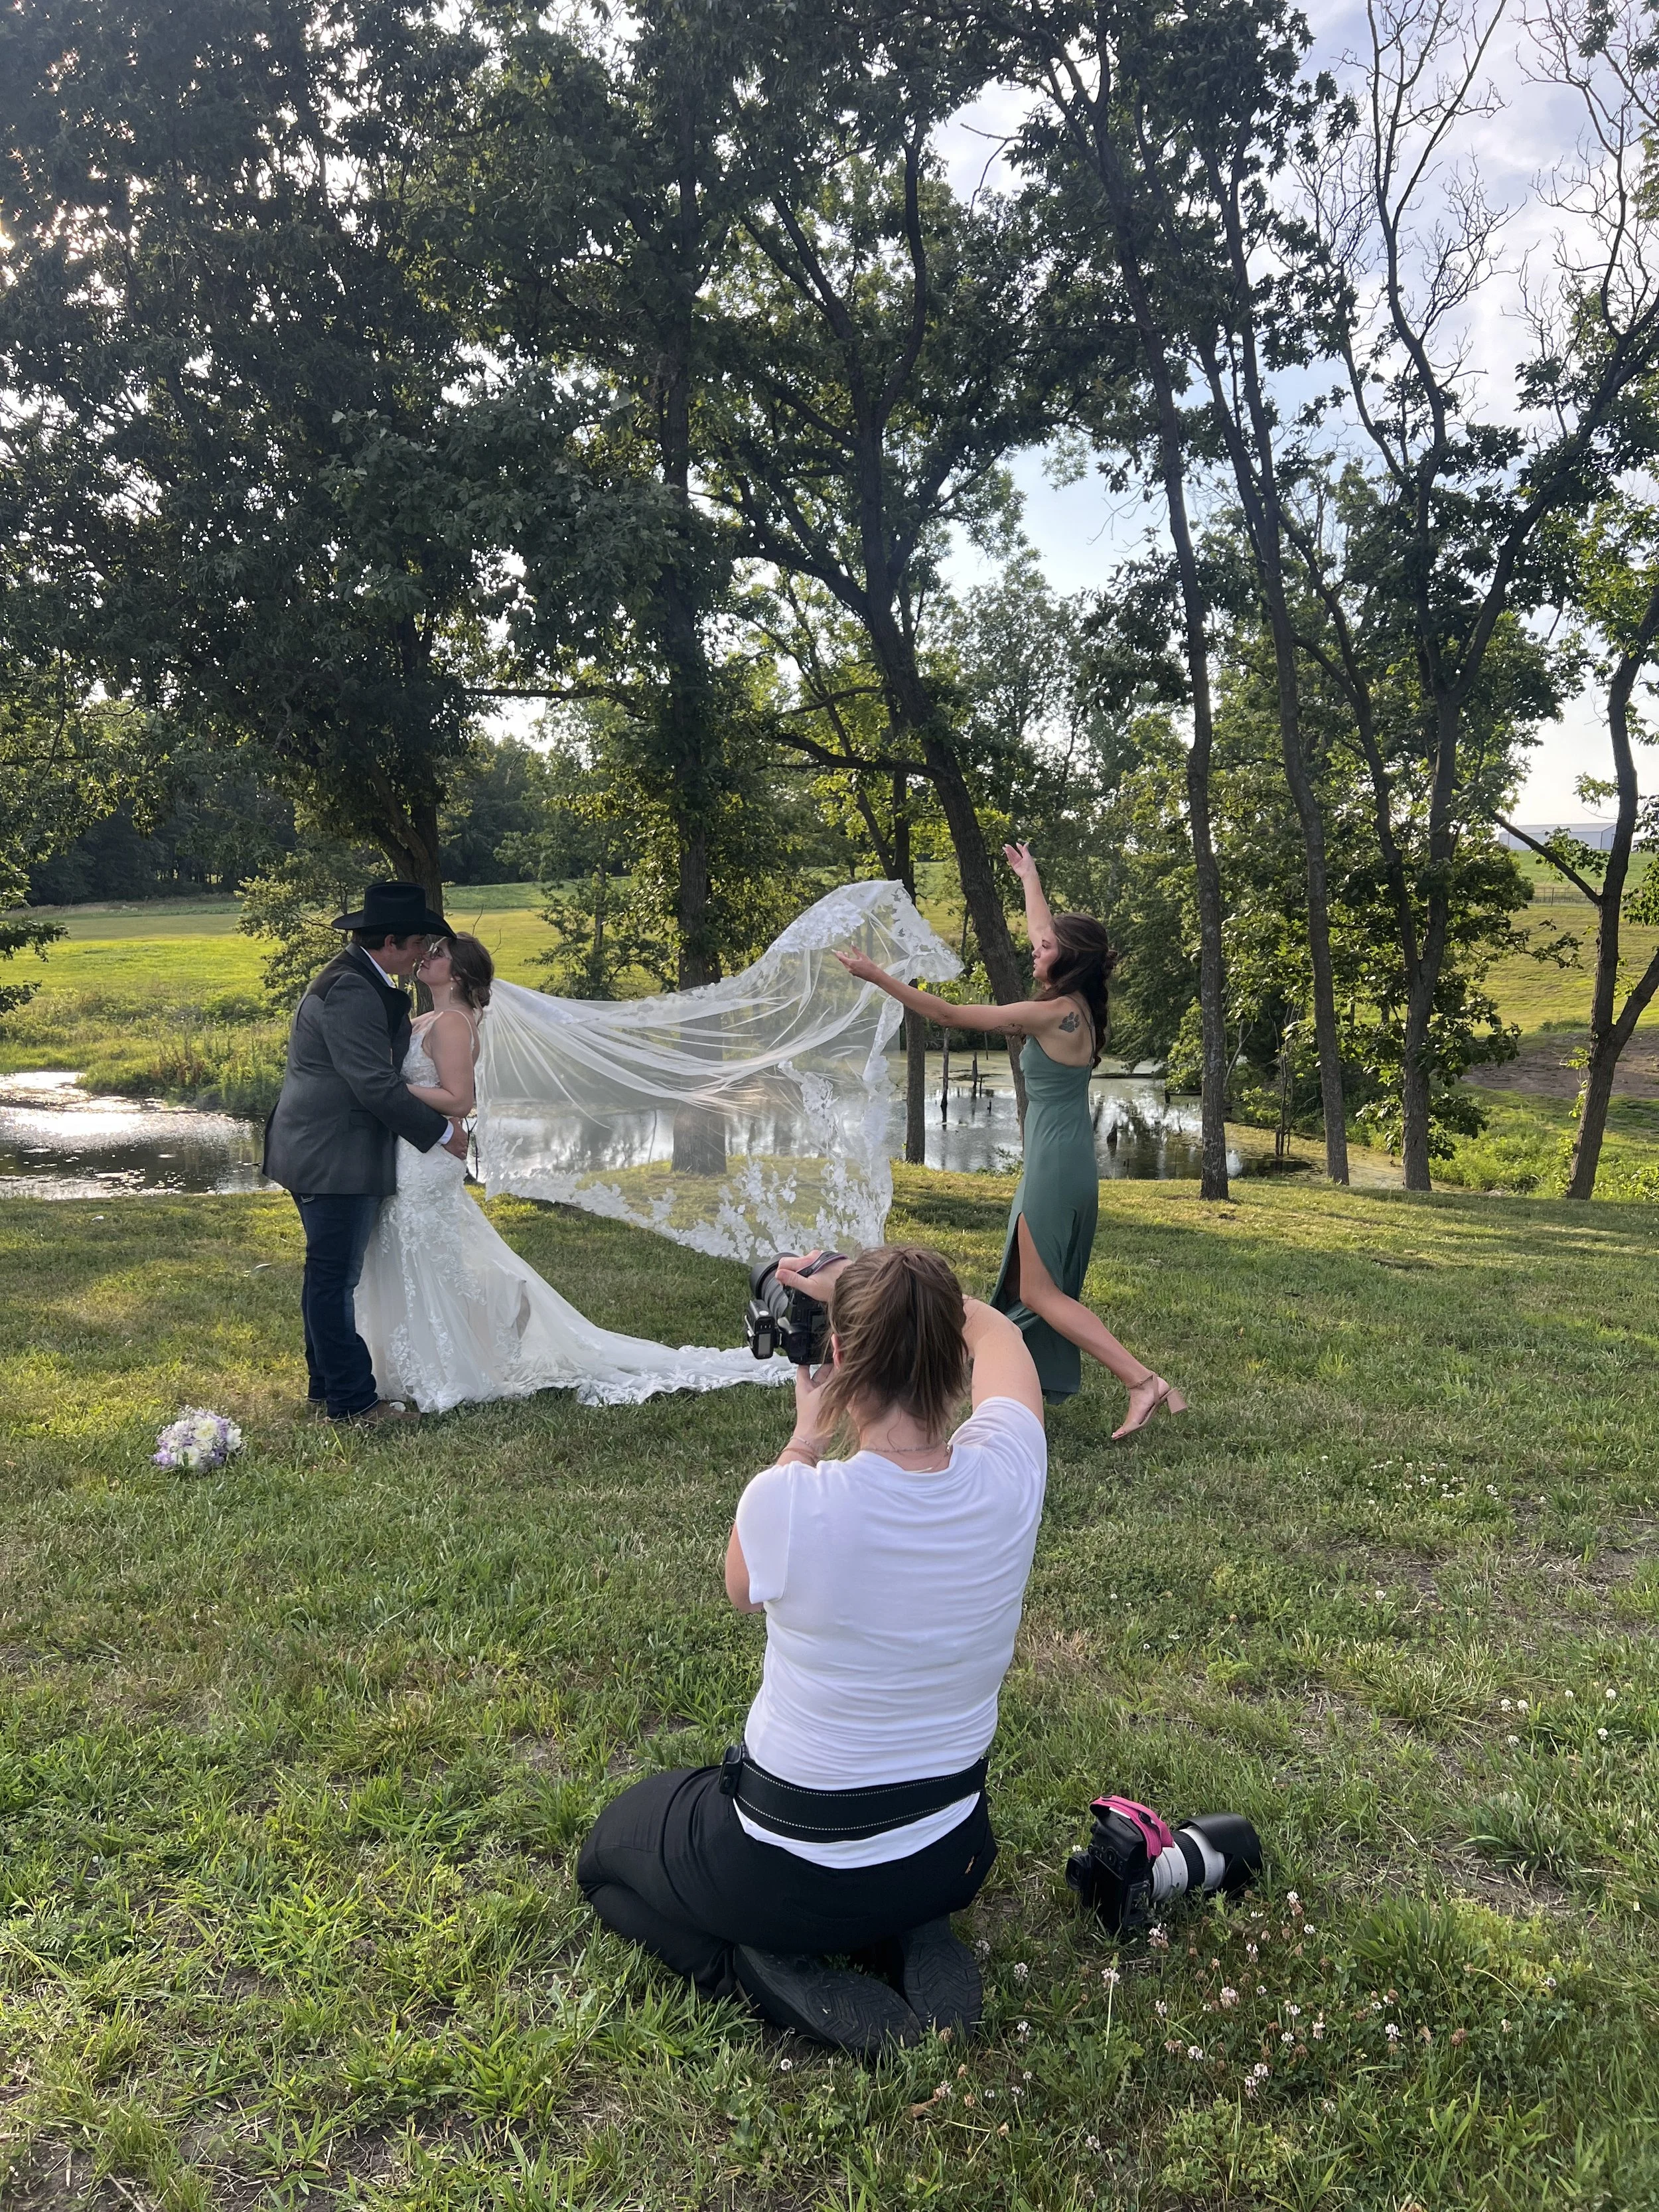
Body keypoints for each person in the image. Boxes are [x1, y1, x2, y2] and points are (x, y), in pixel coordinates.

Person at [576, 1244, 1047, 2055]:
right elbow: (998, 1330)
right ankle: (909, 1927)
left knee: (604, 1861)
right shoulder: (1011, 1469)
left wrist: (804, 1434)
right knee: (895, 1859)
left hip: (784, 1867)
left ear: (836, 1357)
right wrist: (890, 1289)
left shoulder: (790, 1500)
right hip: (951, 1851)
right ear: (953, 1364)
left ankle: (754, 1969)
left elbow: (738, 1586)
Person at [350, 930, 792, 1412]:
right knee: (417, 1252)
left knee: (424, 1252)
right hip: (411, 1152)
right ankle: (423, 1355)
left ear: (457, 973)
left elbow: (460, 1099)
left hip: (426, 1159)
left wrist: (392, 1089)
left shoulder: (454, 1023)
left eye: (438, 954)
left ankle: (456, 1355)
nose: (426, 957)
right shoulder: (428, 1018)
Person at [837, 843, 1185, 1439]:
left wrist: (878, 977)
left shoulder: (1050, 1015)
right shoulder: (1084, 1009)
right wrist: (1030, 876)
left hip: (1052, 1166)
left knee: (1041, 1292)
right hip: (1067, 1162)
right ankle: (1003, 1380)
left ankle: (1141, 1381)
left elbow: (949, 1015)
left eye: (1045, 948)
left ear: (1070, 960)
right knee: (1030, 1289)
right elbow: (1047, 930)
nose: (1035, 946)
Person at [261, 881, 469, 1426]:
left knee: (325, 1273)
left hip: (321, 1146)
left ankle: (324, 1383)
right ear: (391, 941)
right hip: (332, 1152)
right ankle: (352, 1402)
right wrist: (443, 1134)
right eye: (419, 942)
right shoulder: (352, 988)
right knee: (334, 1277)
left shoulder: (358, 978)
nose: (424, 952)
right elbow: (373, 1085)